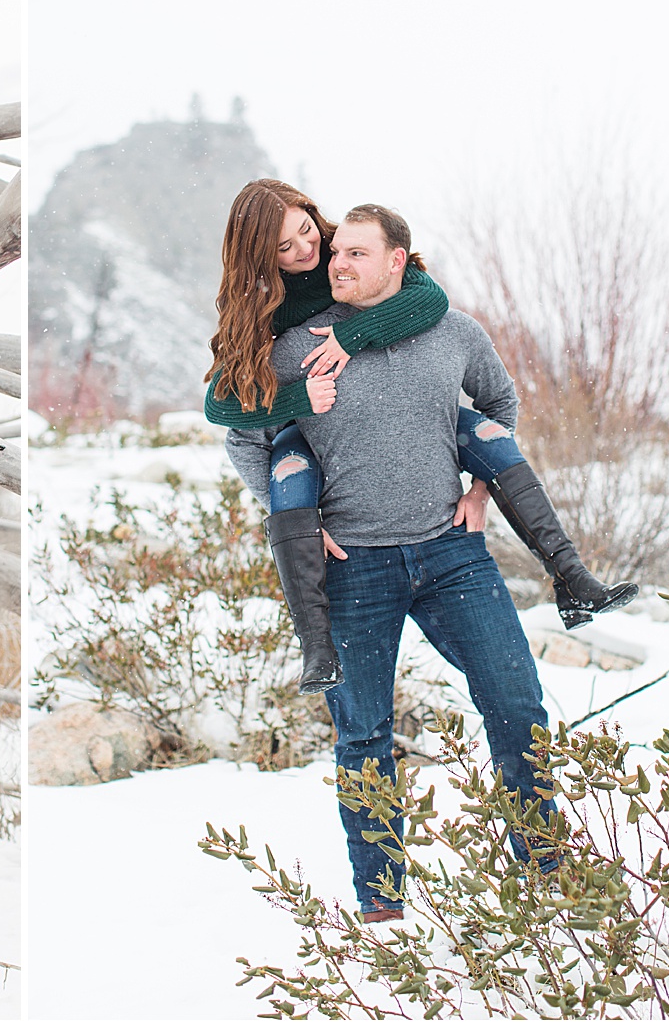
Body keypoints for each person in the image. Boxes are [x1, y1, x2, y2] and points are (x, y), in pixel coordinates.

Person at [230, 204, 562, 922]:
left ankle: (546, 877)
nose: (335, 264)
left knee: (517, 706)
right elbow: (244, 436)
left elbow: (499, 400)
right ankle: (381, 904)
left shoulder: (451, 329)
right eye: (334, 253)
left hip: (453, 556)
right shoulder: (293, 348)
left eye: (354, 254)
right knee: (364, 736)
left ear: (398, 262)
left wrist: (481, 490)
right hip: (354, 571)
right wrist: (299, 521)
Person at [206, 179, 636, 694]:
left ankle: (572, 577)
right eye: (284, 247)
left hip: (444, 529)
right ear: (261, 257)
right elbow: (225, 408)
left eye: (307, 230)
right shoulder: (262, 310)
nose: (311, 251)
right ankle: (315, 646)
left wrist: (353, 333)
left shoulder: (349, 258)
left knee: (482, 429)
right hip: (332, 483)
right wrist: (299, 407)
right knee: (288, 461)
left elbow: (428, 295)